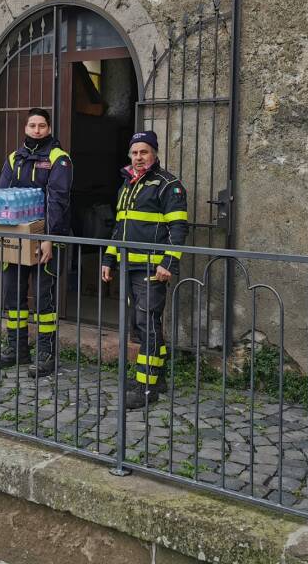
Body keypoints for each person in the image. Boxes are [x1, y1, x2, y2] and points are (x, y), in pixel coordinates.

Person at [101, 131, 188, 409]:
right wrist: (108, 259)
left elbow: (178, 228)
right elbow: (120, 227)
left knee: (146, 324)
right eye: (135, 153)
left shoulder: (169, 185)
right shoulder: (127, 185)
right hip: (129, 265)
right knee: (144, 325)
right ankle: (157, 377)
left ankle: (146, 387)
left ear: (155, 154)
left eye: (144, 152)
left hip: (151, 267)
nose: (139, 158)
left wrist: (168, 263)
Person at [0, 107, 73, 378]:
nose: (36, 130)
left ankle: (46, 354)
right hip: (16, 238)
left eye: (41, 126)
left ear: (49, 129)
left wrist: (48, 238)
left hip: (46, 238)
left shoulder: (58, 159)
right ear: (25, 129)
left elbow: (57, 200)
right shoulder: (14, 158)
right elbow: (2, 196)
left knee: (43, 297)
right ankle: (17, 349)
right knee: (12, 294)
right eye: (32, 126)